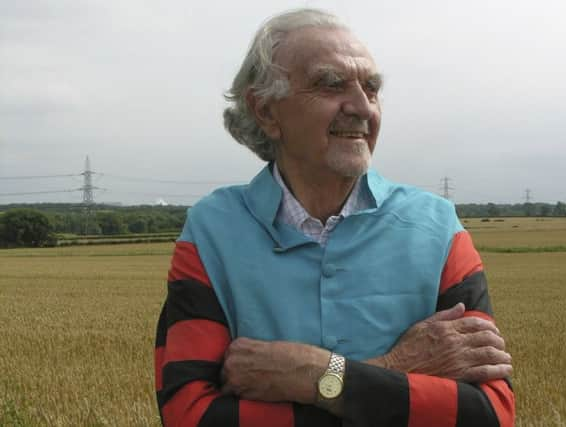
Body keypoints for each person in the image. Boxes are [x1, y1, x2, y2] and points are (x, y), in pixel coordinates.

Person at [154, 8, 515, 427]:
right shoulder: (211, 231)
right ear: (266, 111)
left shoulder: (438, 228)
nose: (363, 107)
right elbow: (190, 414)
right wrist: (392, 368)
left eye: (372, 88)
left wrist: (313, 375)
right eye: (331, 85)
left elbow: (489, 413)